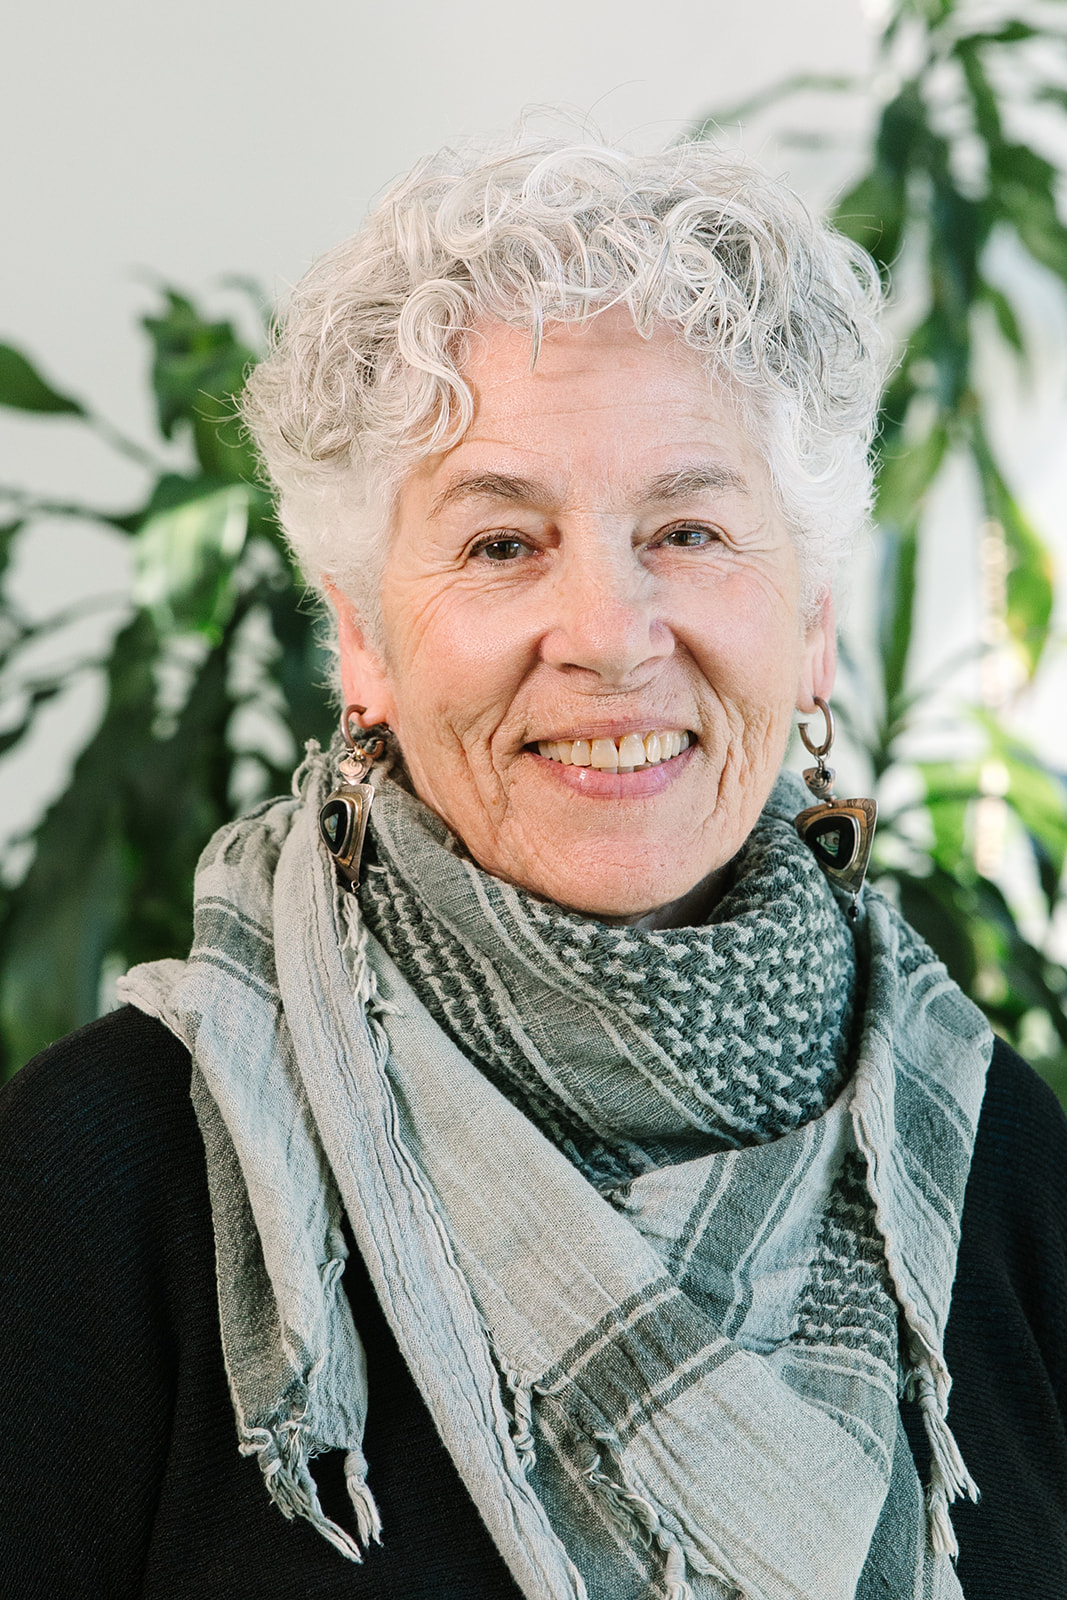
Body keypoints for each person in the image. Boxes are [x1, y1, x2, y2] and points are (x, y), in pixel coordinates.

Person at [1, 135, 1065, 1600]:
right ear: (363, 640)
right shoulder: (104, 1180)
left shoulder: (988, 1152)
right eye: (504, 544)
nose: (611, 635)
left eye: (688, 530)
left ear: (811, 622)